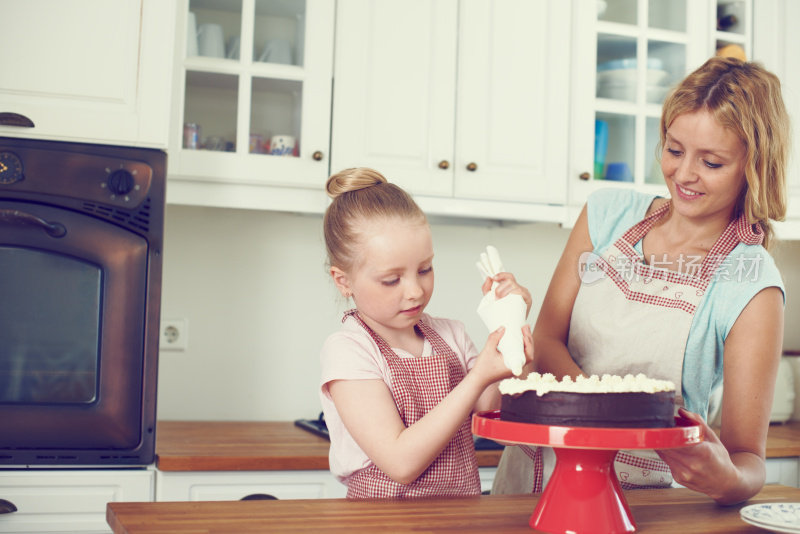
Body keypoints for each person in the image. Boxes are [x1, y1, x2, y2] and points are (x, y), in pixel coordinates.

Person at [492, 56, 790, 505]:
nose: (683, 174)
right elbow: (549, 339)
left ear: (752, 166)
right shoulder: (606, 215)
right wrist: (605, 412)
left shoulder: (751, 282)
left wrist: (726, 479)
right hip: (531, 478)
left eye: (710, 162)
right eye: (674, 150)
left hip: (640, 503)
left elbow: (747, 459)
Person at [319, 167, 533, 499]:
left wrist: (511, 325)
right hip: (382, 523)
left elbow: (503, 424)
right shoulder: (349, 349)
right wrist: (476, 378)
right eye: (392, 280)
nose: (415, 291)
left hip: (458, 519)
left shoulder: (451, 335)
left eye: (425, 269)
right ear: (343, 280)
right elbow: (400, 463)